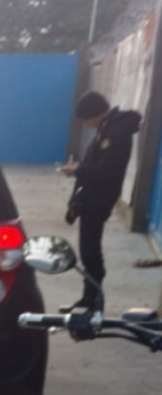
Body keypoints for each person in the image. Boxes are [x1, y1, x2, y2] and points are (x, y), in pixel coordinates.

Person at [59, 91, 141, 310]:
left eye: (86, 119)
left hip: (99, 199)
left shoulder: (115, 132)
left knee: (90, 251)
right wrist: (79, 169)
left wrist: (77, 170)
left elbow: (106, 172)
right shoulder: (109, 128)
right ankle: (90, 296)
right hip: (94, 197)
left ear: (94, 114)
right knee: (89, 250)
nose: (86, 125)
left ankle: (94, 299)